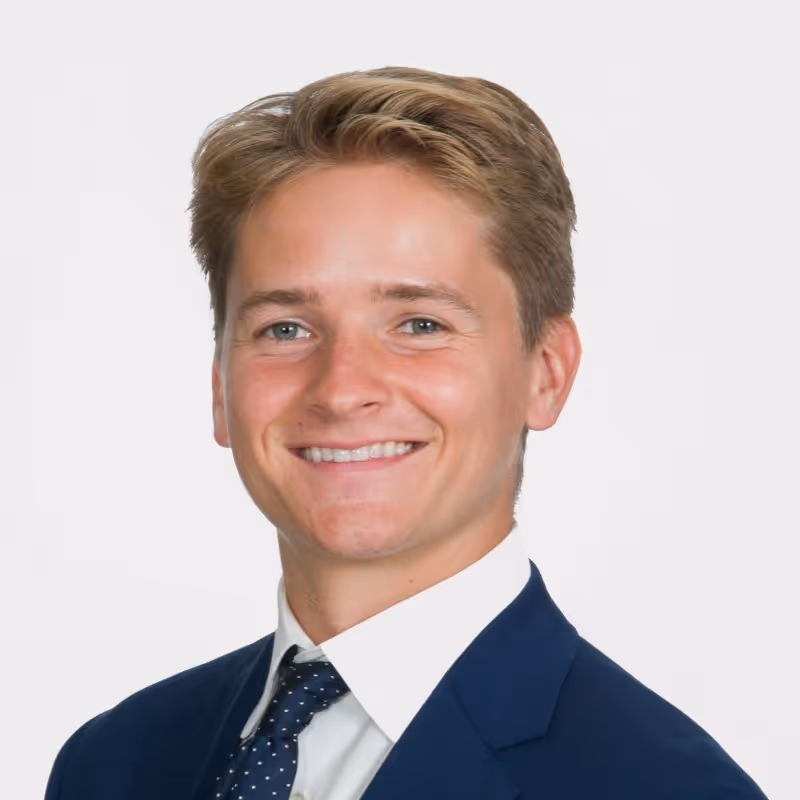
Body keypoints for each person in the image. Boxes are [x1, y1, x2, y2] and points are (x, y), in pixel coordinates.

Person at [44, 66, 768, 800]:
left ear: (545, 373)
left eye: (421, 324)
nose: (342, 387)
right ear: (221, 390)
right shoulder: (114, 763)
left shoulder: (665, 787)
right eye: (285, 328)